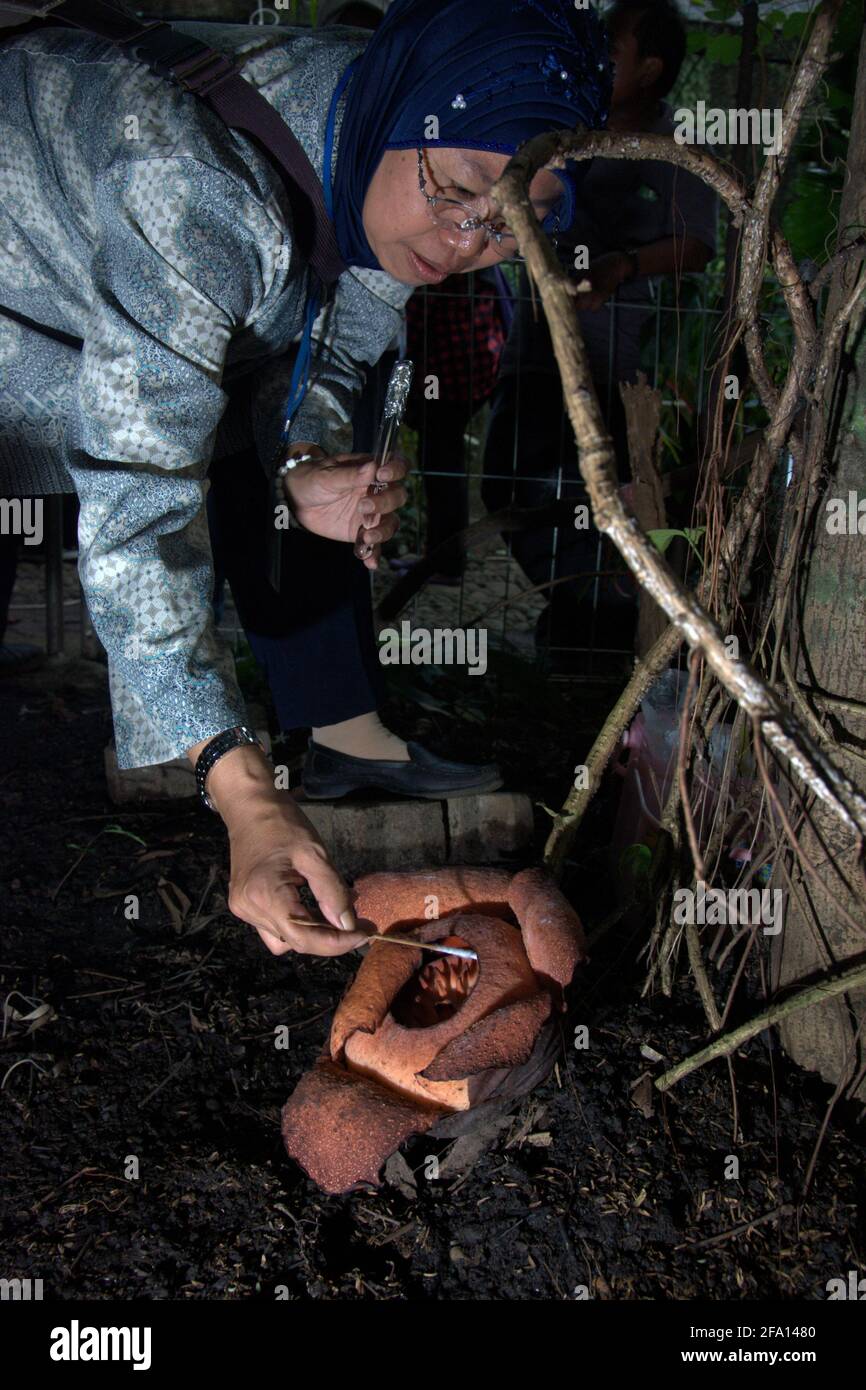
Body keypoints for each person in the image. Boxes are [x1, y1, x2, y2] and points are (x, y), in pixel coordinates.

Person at [0, 0, 611, 957]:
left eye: (507, 230)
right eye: (454, 193)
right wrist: (244, 796)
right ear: (411, 119)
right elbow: (140, 502)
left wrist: (302, 464)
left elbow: (328, 350)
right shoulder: (189, 185)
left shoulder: (384, 140)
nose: (460, 247)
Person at [482, 0, 717, 670]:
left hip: (609, 358)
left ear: (650, 69)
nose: (596, 56)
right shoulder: (567, 122)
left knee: (581, 490)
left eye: (612, 50)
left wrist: (624, 267)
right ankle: (582, 612)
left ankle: (595, 626)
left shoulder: (678, 147)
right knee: (507, 481)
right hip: (534, 342)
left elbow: (699, 244)